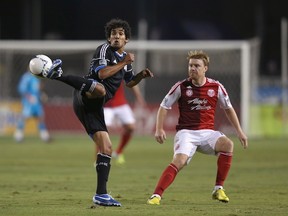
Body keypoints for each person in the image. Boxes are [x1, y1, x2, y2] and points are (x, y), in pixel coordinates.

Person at [42, 18, 153, 207]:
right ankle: (58, 74)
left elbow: (129, 82)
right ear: (109, 38)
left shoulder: (125, 60)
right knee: (101, 88)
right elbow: (101, 75)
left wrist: (140, 75)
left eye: (120, 33)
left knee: (107, 147)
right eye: (113, 33)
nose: (116, 36)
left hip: (94, 107)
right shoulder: (104, 50)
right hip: (85, 95)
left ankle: (101, 195)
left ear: (126, 39)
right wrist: (124, 61)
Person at [147, 50, 248, 205]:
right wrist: (159, 129)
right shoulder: (181, 87)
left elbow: (228, 108)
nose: (192, 68)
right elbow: (163, 106)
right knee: (179, 161)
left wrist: (240, 132)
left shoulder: (216, 87)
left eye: (196, 66)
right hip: (186, 133)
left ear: (205, 68)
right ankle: (156, 196)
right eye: (190, 65)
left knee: (228, 145)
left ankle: (218, 189)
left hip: (207, 133)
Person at [104, 81, 146, 165]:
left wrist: (139, 97)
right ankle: (99, 158)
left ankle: (118, 152)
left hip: (120, 103)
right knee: (102, 131)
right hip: (105, 104)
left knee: (131, 127)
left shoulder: (122, 69)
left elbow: (132, 81)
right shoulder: (102, 69)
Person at [14, 70, 50, 142]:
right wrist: (28, 97)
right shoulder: (26, 77)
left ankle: (44, 136)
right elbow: (21, 88)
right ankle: (18, 135)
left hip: (36, 101)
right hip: (29, 102)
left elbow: (37, 89)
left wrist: (41, 95)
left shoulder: (37, 77)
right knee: (25, 117)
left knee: (40, 117)